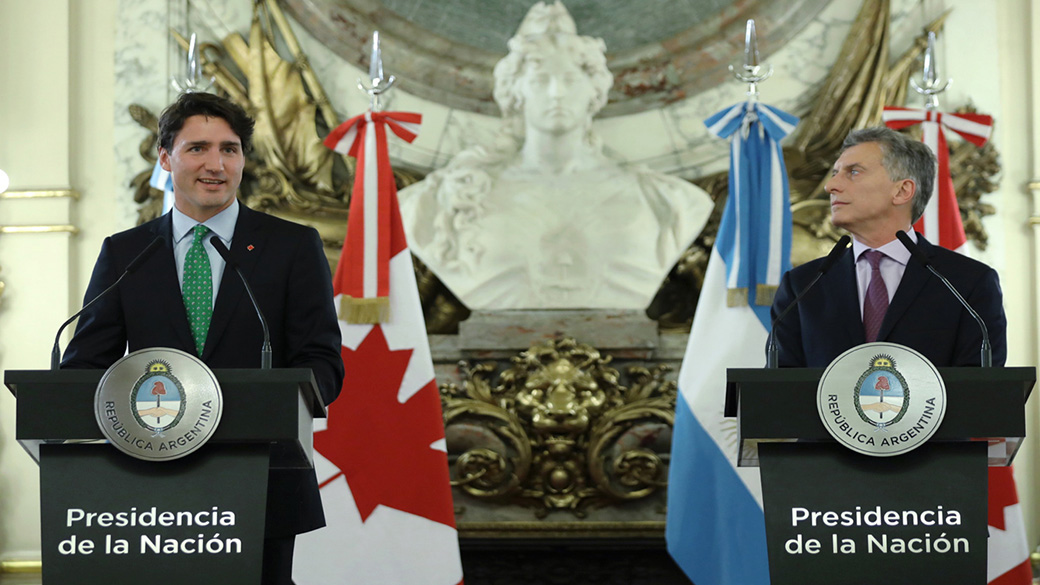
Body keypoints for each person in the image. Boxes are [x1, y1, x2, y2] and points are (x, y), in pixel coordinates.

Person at [61, 91, 344, 584]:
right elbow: (87, 363)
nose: (216, 164)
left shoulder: (292, 247)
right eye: (197, 148)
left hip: (262, 479)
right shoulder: (125, 252)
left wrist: (274, 401)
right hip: (148, 484)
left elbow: (322, 361)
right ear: (166, 157)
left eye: (229, 149)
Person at [398, 1, 713, 310]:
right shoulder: (448, 198)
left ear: (595, 90)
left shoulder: (666, 200)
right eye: (540, 80)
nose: (557, 93)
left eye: (571, 80)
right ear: (515, 92)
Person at [770, 126, 1006, 367]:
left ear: (902, 190)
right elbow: (783, 390)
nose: (830, 186)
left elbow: (979, 391)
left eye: (853, 172)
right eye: (835, 172)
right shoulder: (801, 287)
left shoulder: (968, 284)